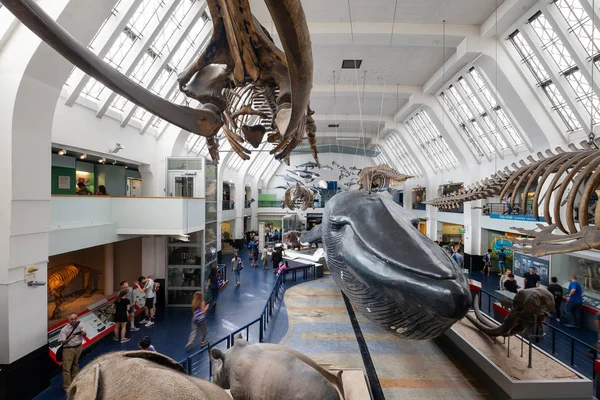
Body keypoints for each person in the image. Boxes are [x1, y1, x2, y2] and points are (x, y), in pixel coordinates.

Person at [59, 313, 87, 391]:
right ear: (68, 320)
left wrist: (84, 333)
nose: (74, 320)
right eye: (72, 319)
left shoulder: (81, 324)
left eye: (75, 318)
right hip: (68, 349)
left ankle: (75, 380)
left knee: (75, 364)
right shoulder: (64, 330)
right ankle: (67, 386)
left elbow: (84, 334)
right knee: (66, 368)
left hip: (78, 347)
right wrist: (69, 338)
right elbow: (63, 342)